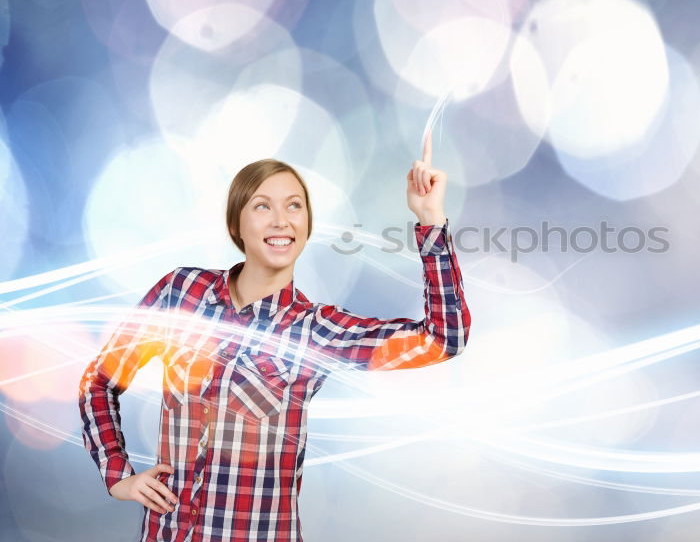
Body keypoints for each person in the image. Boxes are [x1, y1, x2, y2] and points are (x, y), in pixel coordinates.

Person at [78, 155, 471, 542]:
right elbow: (99, 379)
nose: (281, 220)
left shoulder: (317, 331)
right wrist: (118, 475)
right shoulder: (181, 293)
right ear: (237, 224)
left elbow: (442, 339)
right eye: (262, 205)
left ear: (306, 226)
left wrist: (430, 219)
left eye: (294, 206)